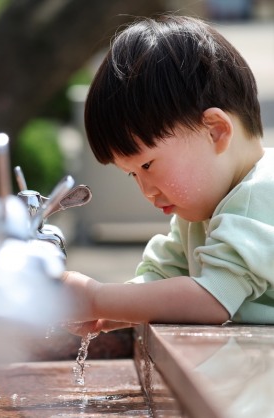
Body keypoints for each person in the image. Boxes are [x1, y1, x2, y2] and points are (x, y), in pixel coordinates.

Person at [61, 14, 274, 335]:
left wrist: (95, 297)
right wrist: (110, 313)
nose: (146, 189)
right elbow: (162, 278)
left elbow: (211, 300)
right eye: (132, 175)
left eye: (147, 165)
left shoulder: (259, 195)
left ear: (214, 131)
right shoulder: (202, 210)